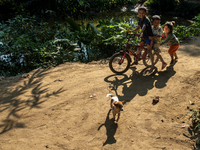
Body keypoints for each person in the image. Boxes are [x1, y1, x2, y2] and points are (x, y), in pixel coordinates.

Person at [128, 6, 154, 73]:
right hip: (144, 35)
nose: (141, 14)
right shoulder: (140, 19)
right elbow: (138, 27)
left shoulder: (146, 20)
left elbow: (144, 27)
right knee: (139, 47)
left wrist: (140, 32)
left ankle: (152, 65)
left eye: (143, 13)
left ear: (146, 13)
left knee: (149, 50)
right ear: (138, 13)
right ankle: (135, 61)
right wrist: (131, 31)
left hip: (149, 37)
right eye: (140, 13)